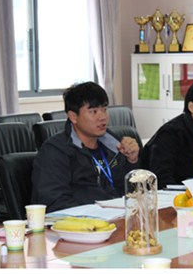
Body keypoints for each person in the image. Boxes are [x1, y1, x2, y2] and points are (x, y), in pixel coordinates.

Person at [31, 81, 141, 213]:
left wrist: (132, 161)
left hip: (119, 216)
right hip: (83, 221)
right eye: (94, 111)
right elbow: (54, 202)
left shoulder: (115, 144)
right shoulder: (55, 151)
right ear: (73, 117)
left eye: (104, 109)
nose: (103, 117)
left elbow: (133, 190)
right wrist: (96, 215)